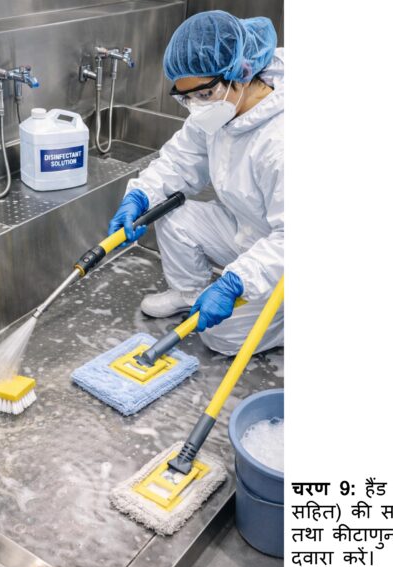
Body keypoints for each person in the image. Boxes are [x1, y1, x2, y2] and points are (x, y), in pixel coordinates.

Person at [108, 10, 284, 355]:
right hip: (250, 231)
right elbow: (179, 161)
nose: (194, 106)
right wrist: (140, 196)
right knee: (168, 212)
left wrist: (236, 282)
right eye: (185, 96)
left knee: (220, 337)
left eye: (202, 94)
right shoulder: (221, 104)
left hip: (283, 255)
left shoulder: (281, 141)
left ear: (241, 73)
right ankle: (189, 295)